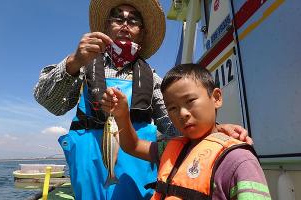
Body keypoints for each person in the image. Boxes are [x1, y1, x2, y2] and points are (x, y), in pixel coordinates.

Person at [34, 0, 251, 199]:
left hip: (137, 168)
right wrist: (73, 61)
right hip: (87, 168)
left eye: (133, 20)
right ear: (107, 27)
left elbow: (174, 126)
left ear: (141, 33)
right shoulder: (82, 66)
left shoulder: (154, 79)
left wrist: (215, 130)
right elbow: (47, 100)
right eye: (118, 19)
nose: (125, 24)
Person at [101, 63, 270, 200]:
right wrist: (122, 114)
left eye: (190, 101)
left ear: (217, 98)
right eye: (172, 108)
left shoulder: (239, 160)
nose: (182, 113)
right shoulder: (169, 149)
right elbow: (133, 145)